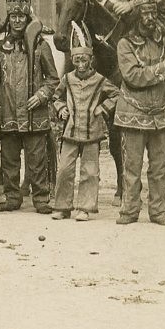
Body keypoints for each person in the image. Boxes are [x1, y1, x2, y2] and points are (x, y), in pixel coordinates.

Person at [0, 0, 58, 214]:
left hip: (34, 114)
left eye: (21, 17)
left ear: (28, 18)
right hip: (8, 115)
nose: (17, 21)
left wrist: (42, 95)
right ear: (9, 19)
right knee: (9, 160)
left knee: (37, 159)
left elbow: (53, 79)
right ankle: (12, 196)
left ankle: (40, 198)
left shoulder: (41, 46)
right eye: (13, 17)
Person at [115, 0, 165, 226]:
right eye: (145, 14)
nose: (150, 18)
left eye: (153, 13)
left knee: (160, 167)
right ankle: (130, 211)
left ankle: (158, 211)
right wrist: (163, 66)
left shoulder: (164, 39)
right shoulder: (125, 45)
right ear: (135, 17)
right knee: (132, 166)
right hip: (133, 112)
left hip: (162, 113)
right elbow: (133, 77)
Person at [50, 26, 119, 221]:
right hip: (70, 132)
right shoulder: (68, 79)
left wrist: (103, 108)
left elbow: (116, 94)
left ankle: (85, 208)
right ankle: (62, 206)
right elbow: (56, 97)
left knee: (90, 171)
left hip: (92, 133)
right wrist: (61, 108)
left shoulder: (99, 80)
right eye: (77, 60)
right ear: (73, 61)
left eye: (84, 60)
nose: (81, 64)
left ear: (91, 60)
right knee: (64, 170)